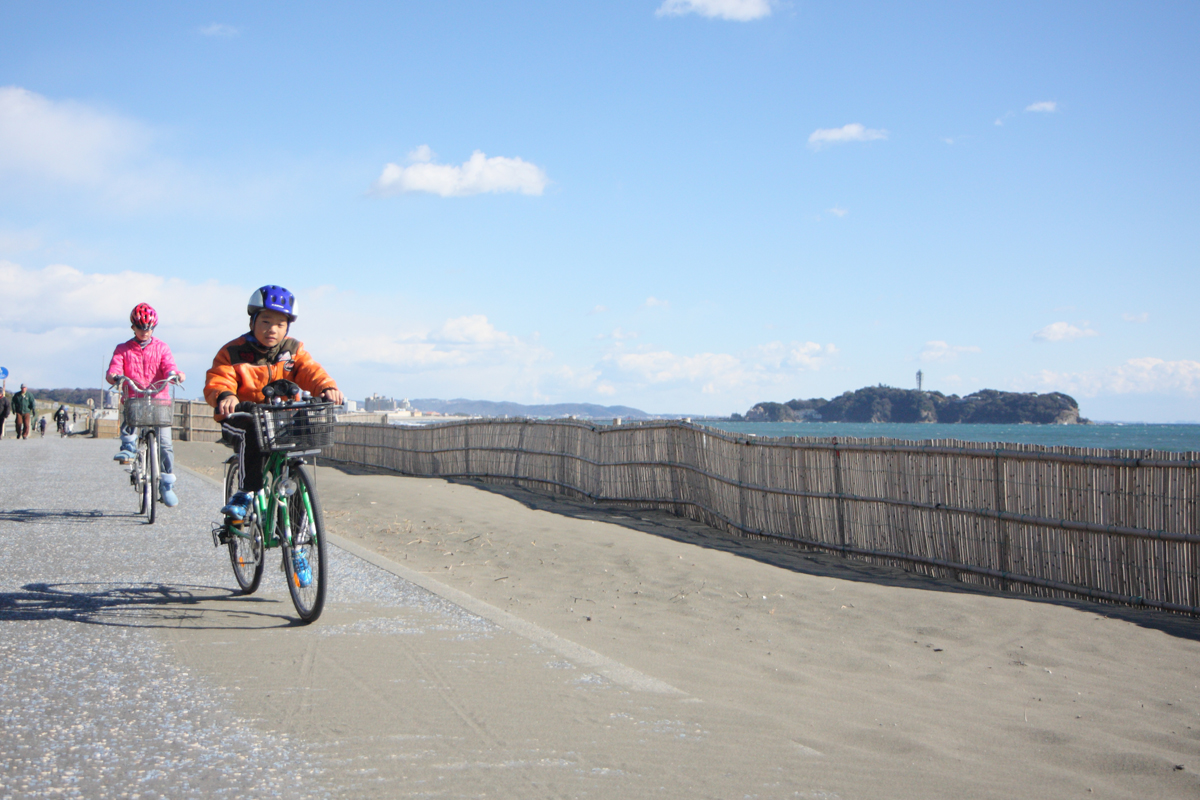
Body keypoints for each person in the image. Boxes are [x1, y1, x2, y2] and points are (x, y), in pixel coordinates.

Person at [204, 285, 344, 519]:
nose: (273, 330)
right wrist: (225, 395)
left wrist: (327, 387)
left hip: (280, 419)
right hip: (242, 417)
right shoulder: (233, 351)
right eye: (266, 322)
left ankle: (298, 543)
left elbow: (311, 371)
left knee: (296, 473)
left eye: (280, 324)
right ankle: (245, 492)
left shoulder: (293, 350)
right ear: (253, 322)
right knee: (251, 432)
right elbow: (219, 377)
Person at [106, 303, 186, 507]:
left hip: (159, 400)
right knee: (130, 416)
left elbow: (169, 365)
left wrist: (174, 375)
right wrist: (115, 376)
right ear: (133, 327)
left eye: (149, 328)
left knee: (166, 444)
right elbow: (115, 367)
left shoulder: (161, 347)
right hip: (134, 396)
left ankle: (166, 484)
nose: (145, 332)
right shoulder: (123, 349)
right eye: (141, 328)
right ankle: (128, 448)